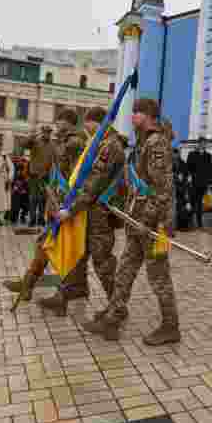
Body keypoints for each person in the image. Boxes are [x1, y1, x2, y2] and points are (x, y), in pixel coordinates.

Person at [83, 98, 180, 346]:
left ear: (149, 115)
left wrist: (147, 220)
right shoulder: (143, 142)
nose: (132, 116)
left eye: (137, 112)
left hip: (152, 224)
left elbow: (162, 189)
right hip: (138, 221)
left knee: (158, 276)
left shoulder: (157, 143)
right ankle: (113, 318)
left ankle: (171, 327)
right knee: (125, 271)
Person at [40, 107, 127, 317]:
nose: (86, 129)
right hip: (87, 211)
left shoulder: (109, 146)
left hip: (100, 214)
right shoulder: (98, 143)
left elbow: (93, 184)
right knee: (77, 254)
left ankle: (118, 308)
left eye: (88, 125)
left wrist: (71, 209)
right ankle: (67, 294)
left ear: (97, 123)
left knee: (103, 262)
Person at [2, 109, 86, 300]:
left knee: (60, 248)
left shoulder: (74, 143)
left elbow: (74, 176)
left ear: (67, 122)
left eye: (59, 121)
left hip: (66, 205)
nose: (56, 125)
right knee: (45, 243)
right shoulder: (63, 142)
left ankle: (51, 289)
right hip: (57, 201)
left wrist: (66, 205)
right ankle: (29, 284)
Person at [186, 138, 212, 228]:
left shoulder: (208, 156)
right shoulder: (192, 154)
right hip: (193, 183)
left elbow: (209, 170)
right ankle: (189, 221)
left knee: (200, 204)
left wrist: (209, 183)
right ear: (198, 144)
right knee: (192, 202)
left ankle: (199, 222)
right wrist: (189, 177)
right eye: (201, 143)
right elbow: (188, 168)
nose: (203, 145)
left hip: (203, 184)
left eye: (205, 143)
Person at [173, 148, 192, 231]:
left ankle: (183, 225)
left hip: (182, 188)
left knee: (183, 207)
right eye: (174, 154)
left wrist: (185, 179)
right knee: (177, 207)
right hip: (174, 188)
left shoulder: (183, 163)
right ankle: (178, 225)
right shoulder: (169, 163)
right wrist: (176, 177)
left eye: (177, 154)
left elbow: (187, 175)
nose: (175, 155)